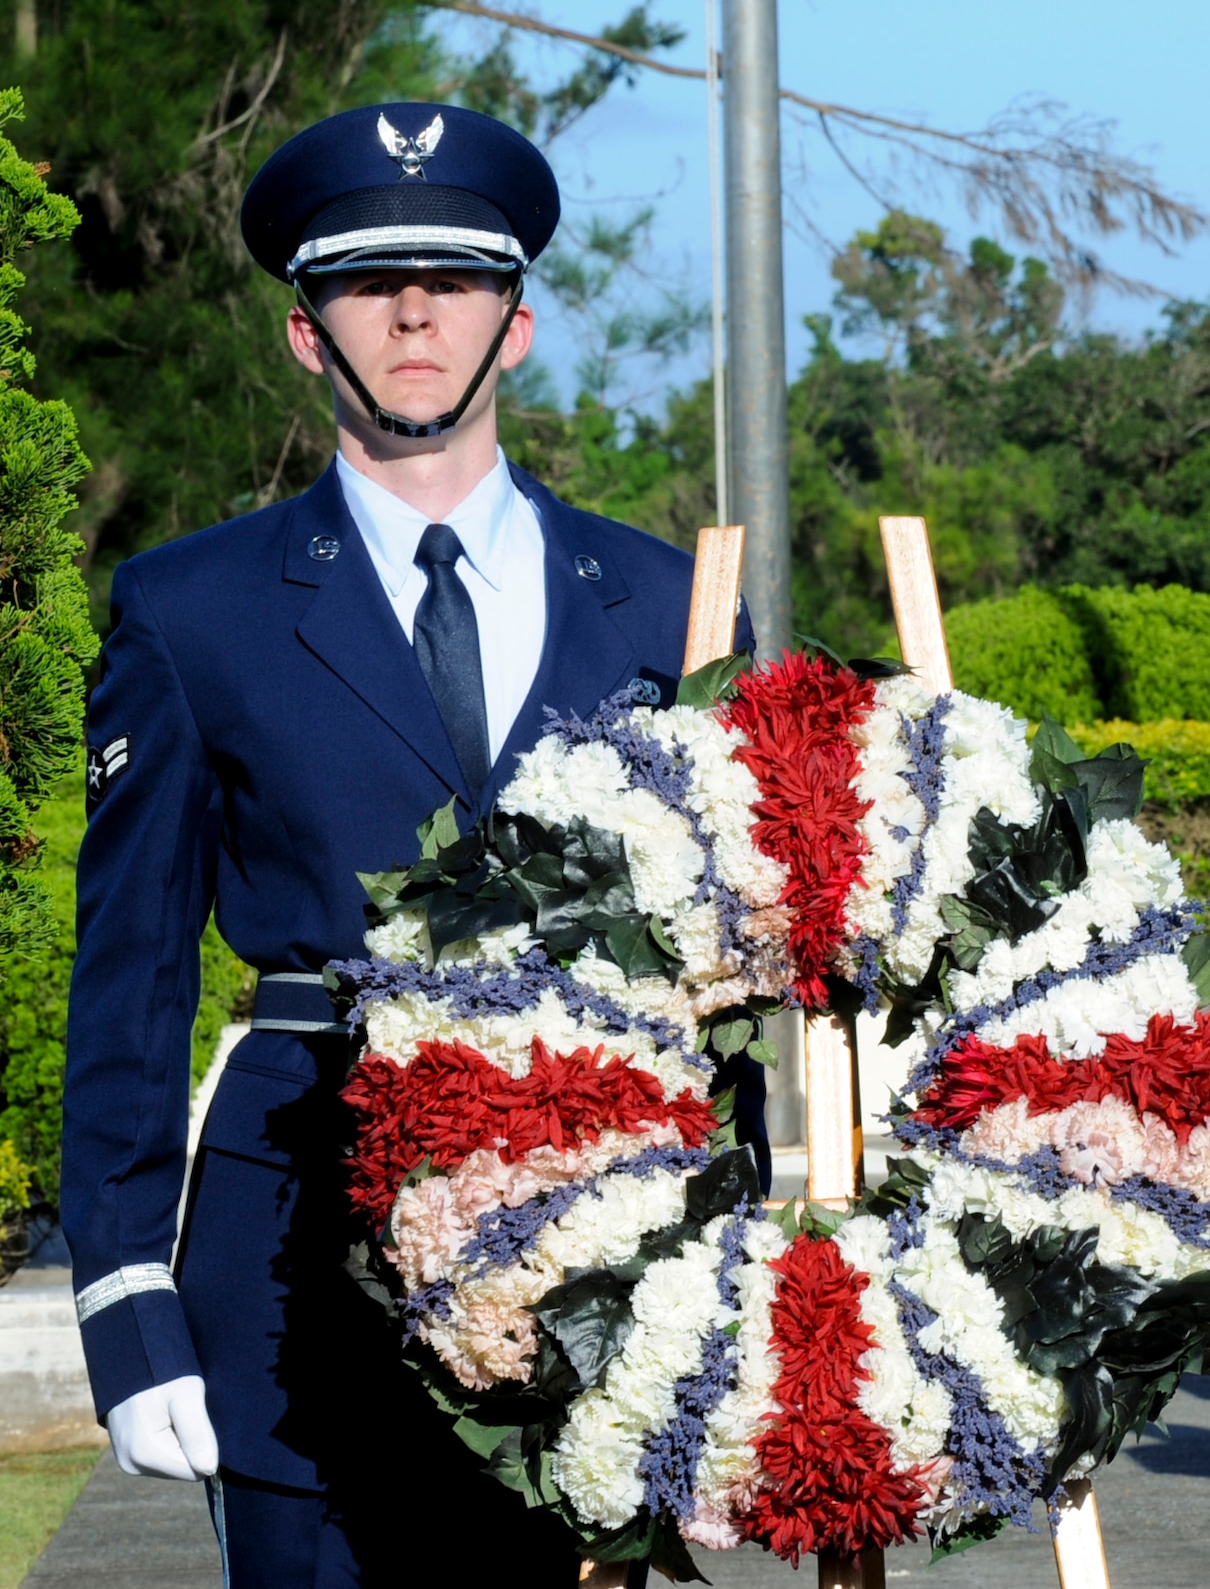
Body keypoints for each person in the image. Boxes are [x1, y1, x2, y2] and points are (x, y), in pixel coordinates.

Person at [61, 103, 766, 1586]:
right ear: (311, 333)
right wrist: (128, 1303)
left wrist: (738, 1277)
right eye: (372, 285)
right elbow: (130, 978)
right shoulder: (192, 613)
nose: (414, 312)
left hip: (604, 1265)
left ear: (516, 323)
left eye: (453, 281)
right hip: (288, 1263)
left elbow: (732, 988)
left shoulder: (668, 610)